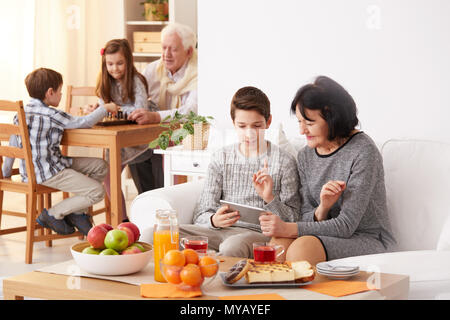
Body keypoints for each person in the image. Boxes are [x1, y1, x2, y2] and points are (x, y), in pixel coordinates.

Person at [261, 76, 396, 265]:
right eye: (300, 122)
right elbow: (305, 215)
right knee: (278, 246)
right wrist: (323, 208)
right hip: (327, 235)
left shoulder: (363, 151)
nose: (302, 131)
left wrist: (288, 228)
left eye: (309, 123)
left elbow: (347, 225)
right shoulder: (305, 156)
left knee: (302, 249)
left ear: (333, 118)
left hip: (369, 239)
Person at [179, 86, 301, 258]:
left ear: (269, 122)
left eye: (256, 126)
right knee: (159, 233)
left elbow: (294, 218)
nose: (249, 134)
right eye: (242, 126)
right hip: (218, 231)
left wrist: (269, 198)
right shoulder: (221, 157)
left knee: (232, 246)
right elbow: (201, 213)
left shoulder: (285, 162)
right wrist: (213, 220)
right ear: (233, 123)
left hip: (257, 235)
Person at [3, 68, 117, 235]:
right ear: (50, 92)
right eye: (60, 91)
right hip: (49, 172)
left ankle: (77, 213)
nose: (61, 95)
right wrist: (105, 108)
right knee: (97, 191)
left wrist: (6, 171)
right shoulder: (52, 115)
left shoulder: (20, 114)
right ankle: (52, 214)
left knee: (100, 166)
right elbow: (84, 122)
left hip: (42, 167)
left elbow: (13, 145)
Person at [127, 22, 198, 194]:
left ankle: (162, 200)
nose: (166, 54)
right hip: (156, 134)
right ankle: (145, 199)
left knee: (160, 148)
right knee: (133, 149)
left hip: (188, 135)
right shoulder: (153, 69)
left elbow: (191, 112)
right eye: (164, 47)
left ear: (188, 51)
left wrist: (155, 116)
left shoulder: (199, 73)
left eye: (173, 49)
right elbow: (132, 94)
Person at [94, 38, 150, 222]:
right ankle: (122, 221)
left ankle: (125, 220)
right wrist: (104, 109)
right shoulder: (104, 83)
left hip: (135, 135)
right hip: (115, 136)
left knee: (110, 174)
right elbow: (104, 107)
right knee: (108, 176)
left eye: (119, 63)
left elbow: (141, 108)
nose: (115, 68)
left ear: (128, 62)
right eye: (110, 64)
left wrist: (114, 109)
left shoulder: (136, 81)